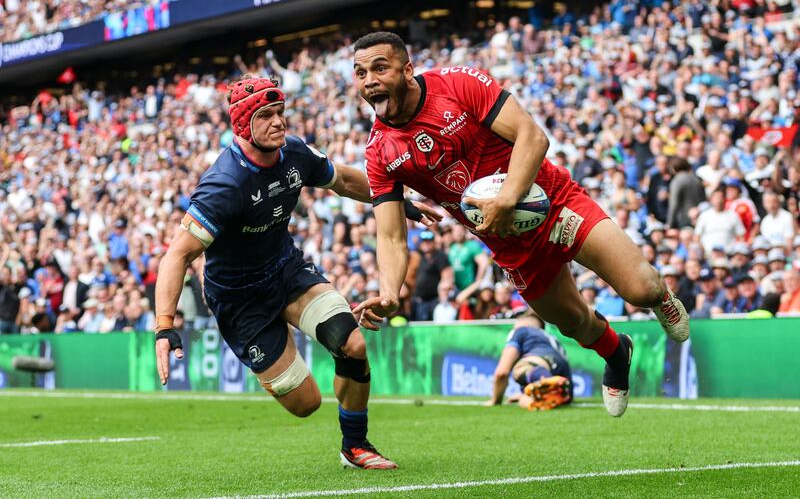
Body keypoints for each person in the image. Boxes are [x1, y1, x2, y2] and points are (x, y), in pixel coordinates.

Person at [351, 32, 689, 418]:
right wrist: (390, 291)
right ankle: (616, 352)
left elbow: (533, 136)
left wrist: (507, 200)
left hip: (554, 203)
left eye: (380, 68)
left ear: (407, 70)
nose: (369, 81)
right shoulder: (379, 152)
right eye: (360, 73)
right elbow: (392, 235)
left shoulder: (458, 84)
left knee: (641, 288)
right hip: (511, 246)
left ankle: (662, 299)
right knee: (575, 323)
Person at [154, 76, 440, 470]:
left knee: (353, 345)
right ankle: (274, 346)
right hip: (240, 300)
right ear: (242, 125)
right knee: (306, 404)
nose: (279, 123)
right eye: (266, 116)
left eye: (280, 113)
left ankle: (355, 446)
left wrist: (396, 201)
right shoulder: (224, 184)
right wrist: (164, 326)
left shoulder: (294, 153)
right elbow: (176, 256)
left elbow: (344, 180)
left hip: (287, 271)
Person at [485, 314, 572, 411]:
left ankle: (544, 388)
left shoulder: (521, 330)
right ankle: (549, 389)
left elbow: (502, 373)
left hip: (541, 362)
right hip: (564, 378)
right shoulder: (552, 339)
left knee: (521, 368)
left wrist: (495, 401)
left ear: (524, 322)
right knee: (528, 388)